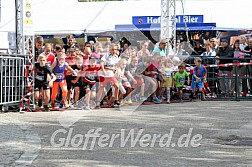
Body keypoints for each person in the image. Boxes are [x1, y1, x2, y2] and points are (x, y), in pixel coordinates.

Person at [96, 44, 120, 108]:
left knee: (117, 86)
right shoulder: (106, 55)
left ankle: (116, 100)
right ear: (110, 49)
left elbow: (116, 65)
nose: (114, 51)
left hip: (111, 74)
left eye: (115, 49)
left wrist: (116, 71)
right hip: (104, 74)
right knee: (101, 88)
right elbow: (102, 63)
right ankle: (98, 102)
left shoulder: (116, 57)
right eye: (113, 49)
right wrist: (103, 70)